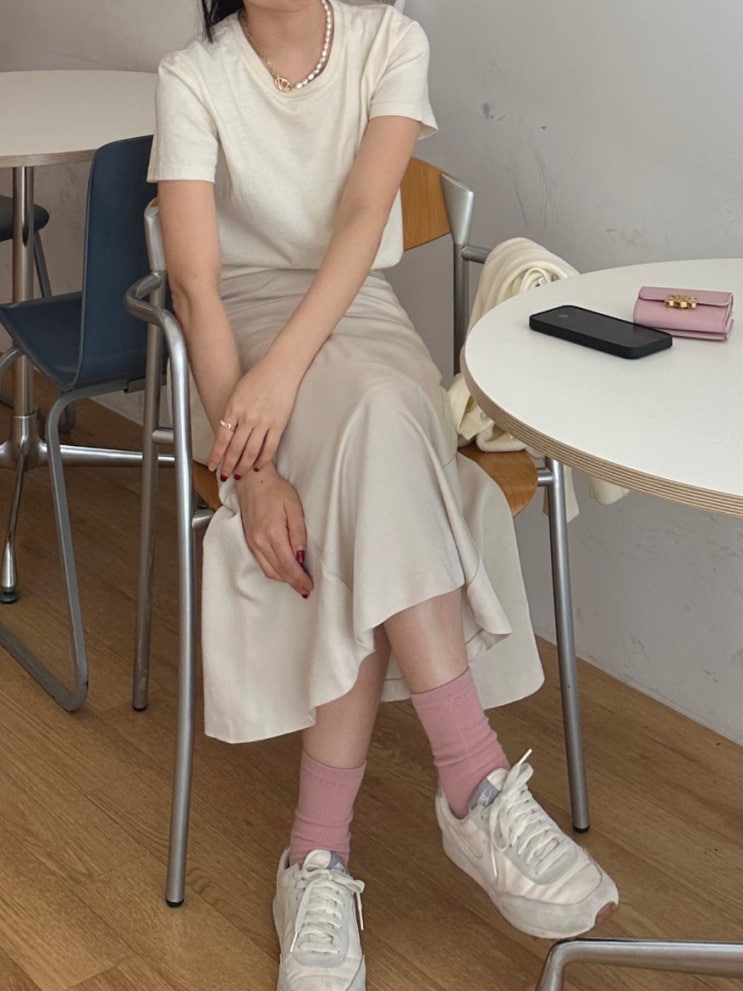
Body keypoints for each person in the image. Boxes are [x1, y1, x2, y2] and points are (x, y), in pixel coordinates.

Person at [148, 1, 618, 987]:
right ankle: (471, 782)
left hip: (354, 309)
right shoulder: (192, 75)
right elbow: (194, 287)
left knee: (381, 415)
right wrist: (253, 468)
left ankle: (316, 856)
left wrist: (288, 377)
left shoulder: (389, 39)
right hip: (241, 341)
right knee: (380, 449)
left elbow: (365, 217)